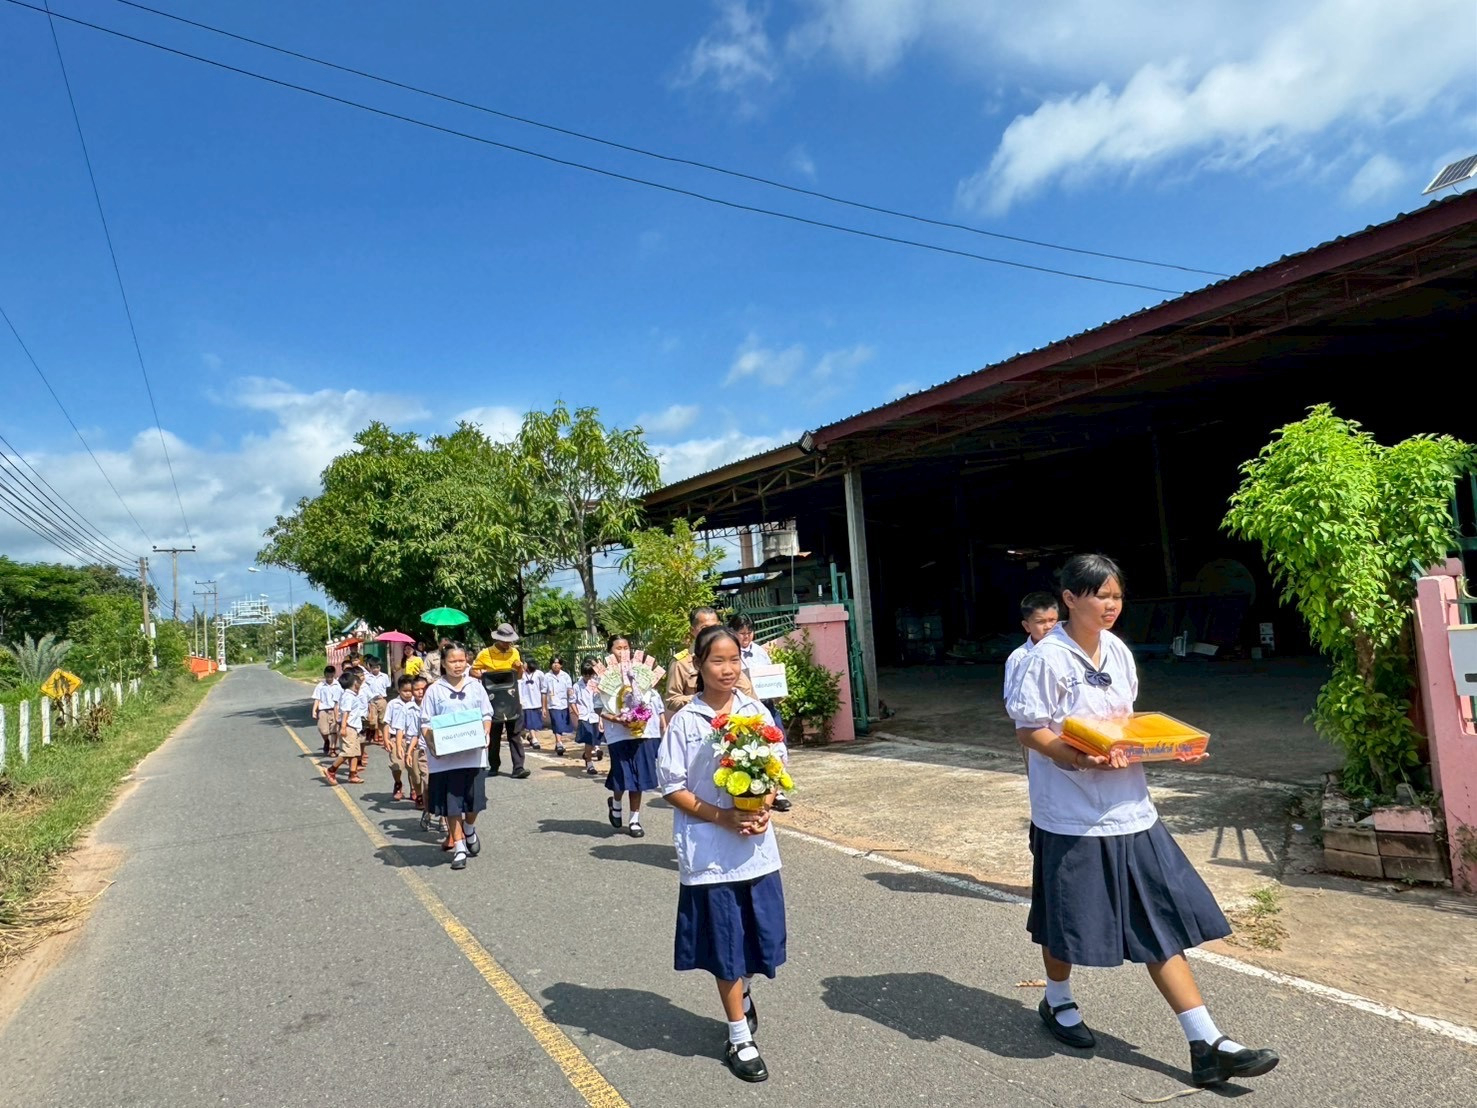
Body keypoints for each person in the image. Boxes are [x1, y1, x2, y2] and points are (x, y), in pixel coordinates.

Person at [1006, 554, 1278, 1088]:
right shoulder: (1047, 657)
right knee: (1066, 919)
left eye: (1116, 596)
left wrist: (1168, 748)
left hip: (1132, 809)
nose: (1110, 606)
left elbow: (1126, 724)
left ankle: (1206, 1042)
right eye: (1099, 596)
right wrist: (1078, 758)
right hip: (1071, 814)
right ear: (1070, 598)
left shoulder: (1120, 651)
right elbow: (1030, 730)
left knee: (1158, 919)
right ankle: (1057, 1001)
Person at [657, 623, 786, 1084]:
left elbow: (777, 768)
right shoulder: (686, 722)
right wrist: (722, 816)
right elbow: (671, 785)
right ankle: (738, 1036)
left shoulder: (756, 712)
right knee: (727, 945)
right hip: (710, 851)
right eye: (717, 661)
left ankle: (744, 996)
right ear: (698, 665)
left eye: (734, 660)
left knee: (757, 937)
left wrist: (764, 806)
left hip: (754, 846)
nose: (728, 669)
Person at [420, 644, 493, 871]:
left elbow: (486, 714)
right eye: (453, 661)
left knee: (474, 802)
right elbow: (425, 723)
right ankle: (459, 846)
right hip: (445, 760)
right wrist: (433, 745)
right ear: (443, 663)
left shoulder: (476, 686)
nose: (458, 665)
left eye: (462, 660)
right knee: (452, 805)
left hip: (473, 756)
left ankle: (469, 828)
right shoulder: (434, 690)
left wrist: (486, 733)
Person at [599, 635, 664, 838]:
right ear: (610, 651)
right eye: (618, 648)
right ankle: (616, 803)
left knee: (639, 777)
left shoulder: (641, 672)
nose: (623, 651)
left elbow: (653, 701)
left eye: (626, 647)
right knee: (622, 774)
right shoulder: (602, 677)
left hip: (643, 732)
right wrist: (617, 719)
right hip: (618, 734)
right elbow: (599, 709)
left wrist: (646, 718)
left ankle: (634, 819)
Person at [728, 614, 791, 812]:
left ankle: (777, 790)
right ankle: (751, 789)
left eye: (749, 632)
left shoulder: (760, 652)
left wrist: (779, 691)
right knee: (750, 750)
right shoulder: (730, 653)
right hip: (745, 710)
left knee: (777, 746)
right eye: (742, 633)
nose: (746, 637)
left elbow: (772, 675)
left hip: (767, 706)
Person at [666, 607, 759, 717]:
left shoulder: (729, 659)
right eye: (704, 628)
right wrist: (702, 699)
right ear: (693, 630)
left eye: (715, 627)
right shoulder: (682, 663)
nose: (711, 632)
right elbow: (671, 699)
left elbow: (747, 692)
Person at [1004, 592, 1061, 703]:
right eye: (1040, 622)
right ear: (1027, 626)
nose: (1048, 627)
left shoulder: (1069, 651)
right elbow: (1011, 698)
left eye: (1052, 620)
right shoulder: (1019, 657)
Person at [323, 670, 368, 785]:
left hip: (355, 728)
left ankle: (353, 774)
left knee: (354, 752)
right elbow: (346, 713)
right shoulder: (348, 696)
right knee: (347, 752)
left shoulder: (352, 695)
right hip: (348, 727)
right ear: (353, 684)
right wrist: (343, 727)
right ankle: (331, 770)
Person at [385, 674, 416, 801]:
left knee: (413, 767)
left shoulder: (416, 703)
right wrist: (386, 739)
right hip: (395, 739)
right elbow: (386, 723)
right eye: (405, 691)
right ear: (399, 690)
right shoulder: (393, 704)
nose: (408, 694)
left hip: (412, 739)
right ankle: (398, 783)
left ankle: (414, 789)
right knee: (397, 764)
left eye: (410, 691)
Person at [573, 660, 603, 776]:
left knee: (596, 738)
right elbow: (572, 701)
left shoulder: (596, 683)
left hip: (595, 715)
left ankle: (587, 755)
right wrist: (578, 714)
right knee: (589, 739)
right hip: (584, 716)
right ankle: (589, 763)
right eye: (585, 674)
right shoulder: (576, 686)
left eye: (589, 674)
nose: (587, 677)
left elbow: (604, 676)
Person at [543, 656, 575, 756]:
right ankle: (559, 743)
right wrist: (544, 707)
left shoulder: (566, 676)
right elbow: (544, 692)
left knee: (562, 725)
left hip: (564, 704)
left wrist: (571, 704)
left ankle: (559, 743)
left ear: (561, 665)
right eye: (554, 663)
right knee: (557, 722)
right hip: (553, 704)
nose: (556, 665)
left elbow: (570, 690)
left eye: (558, 663)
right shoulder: (547, 676)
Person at [518, 658, 549, 750]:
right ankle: (533, 738)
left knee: (534, 723)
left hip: (535, 702)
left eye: (525, 663)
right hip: (525, 702)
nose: (524, 664)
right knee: (527, 722)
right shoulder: (522, 674)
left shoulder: (539, 674)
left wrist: (544, 706)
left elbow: (544, 689)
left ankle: (531, 737)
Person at [311, 665, 340, 757]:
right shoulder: (320, 686)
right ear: (324, 675)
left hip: (335, 710)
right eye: (327, 676)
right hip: (323, 710)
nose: (329, 678)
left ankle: (333, 749)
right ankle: (326, 741)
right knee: (323, 730)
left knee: (334, 731)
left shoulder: (338, 685)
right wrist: (314, 711)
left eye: (331, 676)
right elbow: (317, 699)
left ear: (334, 675)